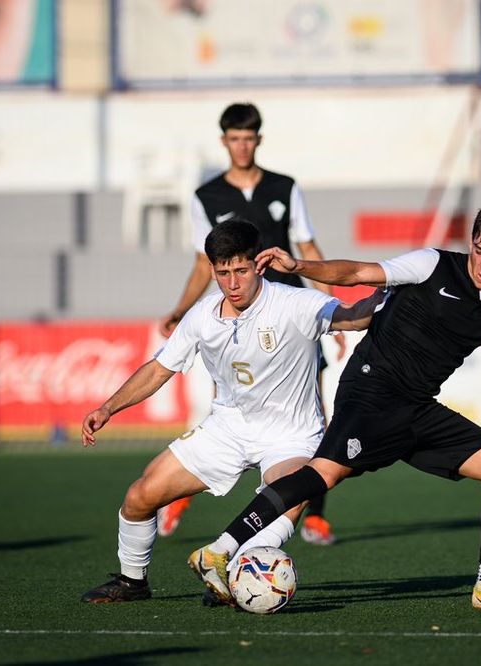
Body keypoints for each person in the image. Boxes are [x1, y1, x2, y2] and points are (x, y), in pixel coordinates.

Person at [186, 198, 481, 611]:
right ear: (471, 242)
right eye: (479, 251)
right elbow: (357, 272)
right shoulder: (431, 264)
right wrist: (299, 268)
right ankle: (220, 549)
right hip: (372, 389)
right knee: (323, 475)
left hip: (417, 407)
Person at [80, 221, 379, 603]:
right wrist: (108, 408)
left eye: (240, 270)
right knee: (140, 497)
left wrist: (392, 297)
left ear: (259, 266)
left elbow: (353, 317)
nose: (232, 282)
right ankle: (132, 582)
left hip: (290, 435)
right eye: (223, 273)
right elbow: (159, 368)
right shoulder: (203, 316)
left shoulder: (293, 303)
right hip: (227, 429)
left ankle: (233, 569)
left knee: (291, 493)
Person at [157, 102, 344, 545]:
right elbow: (205, 264)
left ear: (259, 139)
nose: (242, 145)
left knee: (313, 411)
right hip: (237, 324)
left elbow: (308, 247)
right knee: (232, 410)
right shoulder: (206, 198)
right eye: (234, 138)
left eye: (249, 137)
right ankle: (185, 489)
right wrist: (181, 309)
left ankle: (314, 514)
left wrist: (330, 307)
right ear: (224, 141)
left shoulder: (285, 187)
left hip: (293, 319)